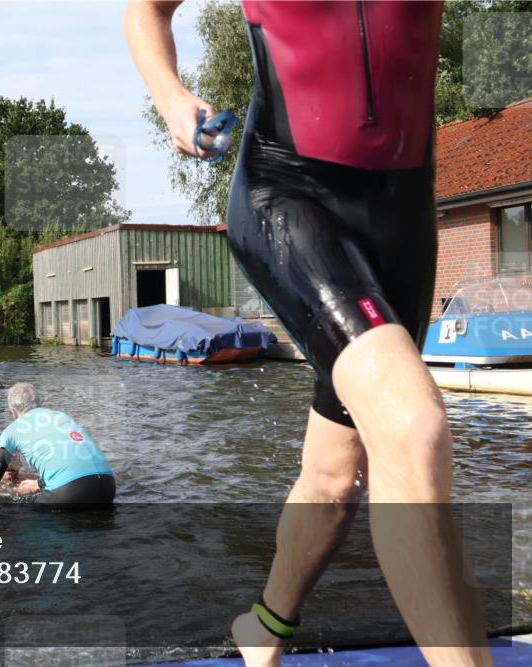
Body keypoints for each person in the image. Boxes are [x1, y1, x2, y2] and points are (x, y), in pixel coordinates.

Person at [124, 2, 490, 664]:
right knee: (413, 426)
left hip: (404, 219)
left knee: (335, 472)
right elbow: (147, 9)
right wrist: (172, 98)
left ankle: (263, 627)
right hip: (288, 198)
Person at [0, 383, 114, 505]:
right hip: (108, 487)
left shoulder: (12, 430)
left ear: (13, 412)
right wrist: (39, 483)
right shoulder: (61, 416)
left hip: (70, 493)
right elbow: (71, 464)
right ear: (39, 404)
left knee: (19, 520)